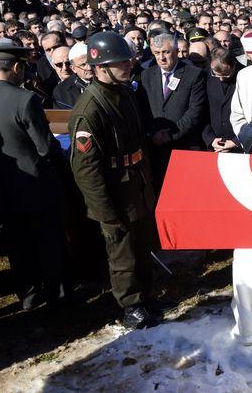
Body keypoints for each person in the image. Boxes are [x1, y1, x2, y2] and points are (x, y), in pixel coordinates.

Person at [0, 38, 68, 311]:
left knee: (17, 244)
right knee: (48, 241)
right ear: (17, 67)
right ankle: (58, 294)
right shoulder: (26, 99)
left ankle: (29, 295)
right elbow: (44, 147)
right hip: (36, 183)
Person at [69, 31, 160, 329]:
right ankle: (131, 305)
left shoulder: (125, 92)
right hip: (114, 192)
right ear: (101, 66)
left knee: (143, 244)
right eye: (121, 61)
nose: (129, 65)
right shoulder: (89, 110)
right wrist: (105, 212)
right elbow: (86, 170)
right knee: (122, 252)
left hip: (136, 184)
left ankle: (146, 296)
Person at [138, 32, 206, 187]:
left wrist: (170, 135)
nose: (161, 57)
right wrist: (153, 134)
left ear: (176, 51)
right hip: (154, 149)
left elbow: (195, 112)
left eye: (166, 52)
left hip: (184, 147)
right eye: (157, 53)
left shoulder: (194, 75)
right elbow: (142, 109)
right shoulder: (146, 75)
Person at [202, 47, 243, 152]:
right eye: (216, 75)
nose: (221, 79)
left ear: (234, 65)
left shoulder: (245, 76)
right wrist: (210, 139)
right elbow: (201, 110)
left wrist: (236, 141)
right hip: (214, 144)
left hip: (240, 144)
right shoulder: (206, 76)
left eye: (226, 75)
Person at [53, 42, 93, 109]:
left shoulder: (106, 78)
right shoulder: (61, 91)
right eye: (83, 65)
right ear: (73, 68)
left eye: (90, 62)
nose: (89, 68)